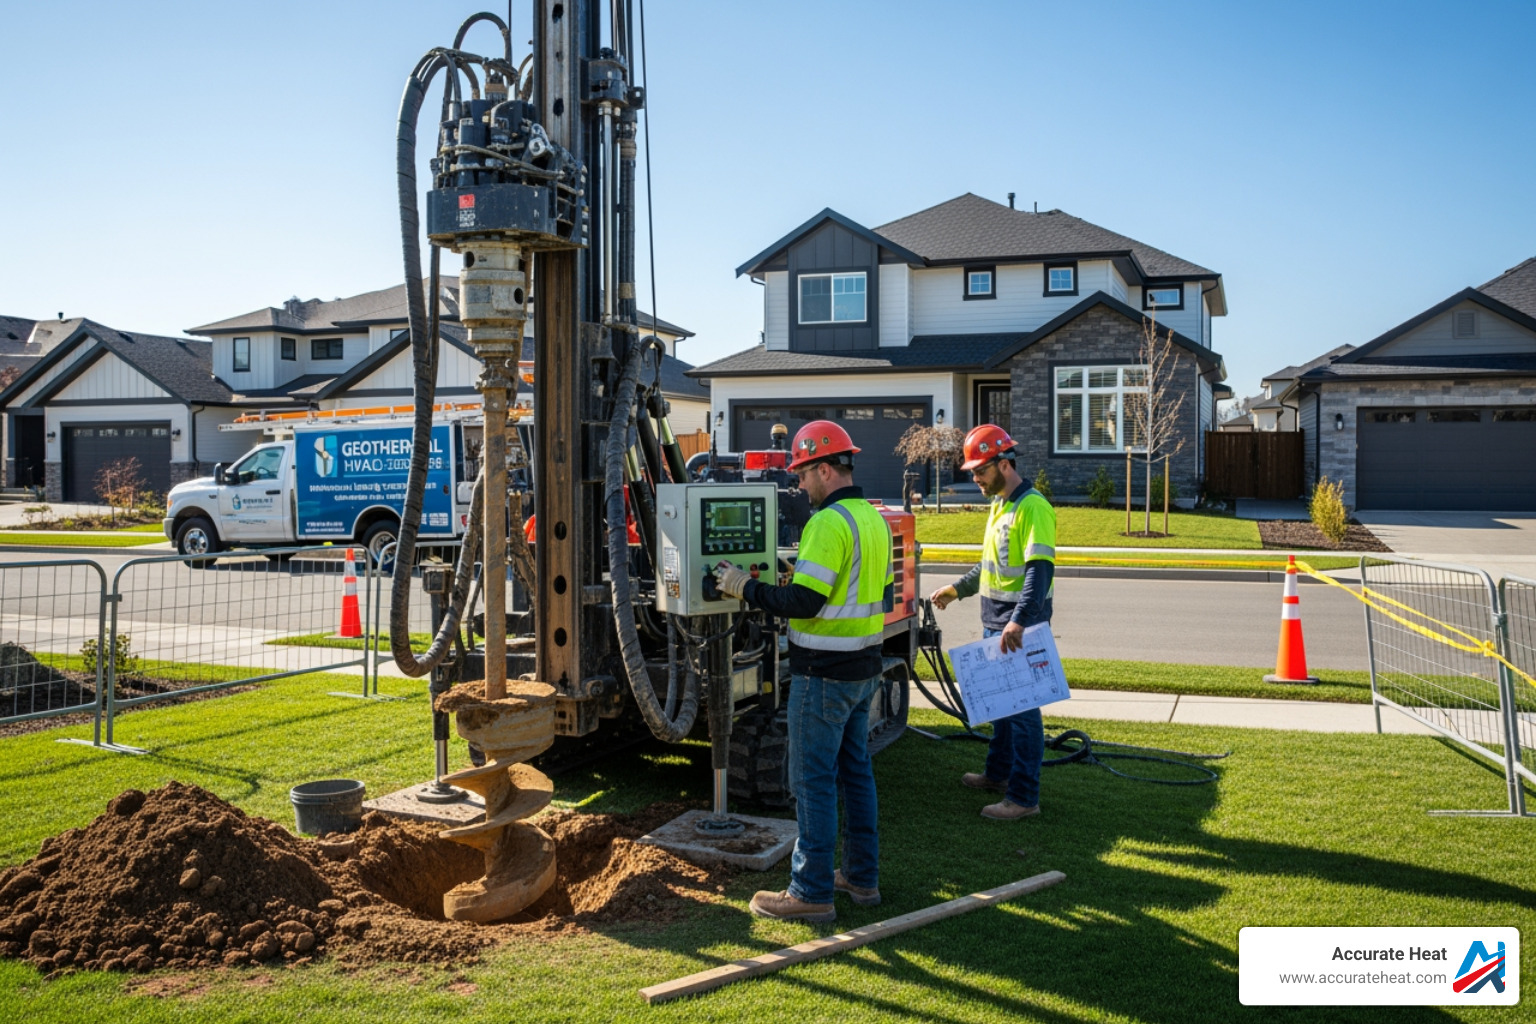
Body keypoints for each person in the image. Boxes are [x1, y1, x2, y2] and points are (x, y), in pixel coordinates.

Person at [713, 420, 893, 923]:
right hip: (864, 668)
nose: (798, 484)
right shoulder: (871, 518)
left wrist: (740, 587)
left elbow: (804, 601)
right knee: (856, 775)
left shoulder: (826, 524)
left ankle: (809, 890)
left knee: (812, 781)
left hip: (822, 673)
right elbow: (862, 591)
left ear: (824, 468)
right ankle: (861, 878)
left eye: (802, 473)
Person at [929, 424, 1056, 820]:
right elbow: (988, 567)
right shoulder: (1001, 505)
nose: (975, 478)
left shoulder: (1033, 507)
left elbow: (1039, 571)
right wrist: (957, 589)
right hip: (997, 624)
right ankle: (998, 775)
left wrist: (1018, 621)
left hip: (1018, 628)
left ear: (1003, 464)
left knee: (1022, 714)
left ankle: (1023, 798)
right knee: (1001, 708)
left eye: (979, 471)